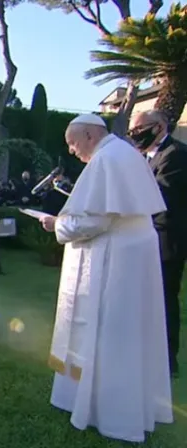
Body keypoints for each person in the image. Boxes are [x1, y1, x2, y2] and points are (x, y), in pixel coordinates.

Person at [39, 113, 173, 443]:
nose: (71, 151)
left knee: (109, 331)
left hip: (115, 261)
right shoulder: (124, 154)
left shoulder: (107, 159)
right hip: (133, 255)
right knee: (131, 331)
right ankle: (131, 407)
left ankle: (108, 412)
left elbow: (94, 221)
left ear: (89, 135)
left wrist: (57, 225)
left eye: (72, 143)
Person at [129, 110, 187, 378]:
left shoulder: (175, 154)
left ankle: (167, 360)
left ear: (160, 126)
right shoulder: (147, 157)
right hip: (148, 239)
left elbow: (161, 197)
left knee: (164, 299)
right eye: (132, 132)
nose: (135, 136)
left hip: (167, 241)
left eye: (139, 130)